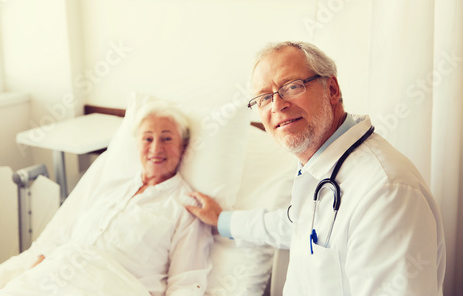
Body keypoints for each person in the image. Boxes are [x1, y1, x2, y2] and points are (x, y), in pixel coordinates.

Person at [186, 41, 446, 296]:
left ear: (332, 89)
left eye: (292, 86)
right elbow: (293, 226)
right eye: (264, 97)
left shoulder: (385, 193)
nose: (277, 105)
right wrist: (222, 220)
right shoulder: (321, 169)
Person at [0, 102, 212, 296]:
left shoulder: (187, 207)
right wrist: (16, 285)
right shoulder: (110, 187)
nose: (155, 147)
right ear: (137, 143)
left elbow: (186, 283)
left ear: (183, 146)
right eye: (147, 138)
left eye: (167, 138)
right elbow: (59, 243)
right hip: (54, 277)